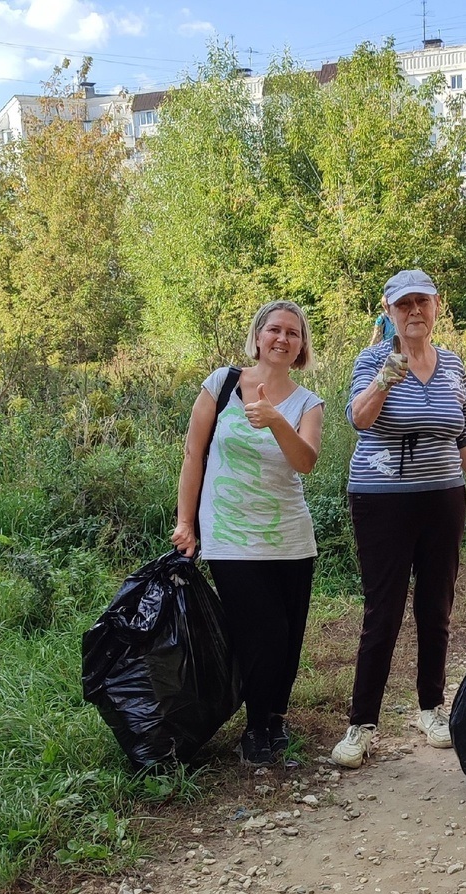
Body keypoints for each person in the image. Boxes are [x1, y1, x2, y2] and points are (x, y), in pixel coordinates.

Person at [332, 269, 466, 769]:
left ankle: (431, 708)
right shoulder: (372, 358)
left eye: (423, 302)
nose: (414, 310)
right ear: (389, 311)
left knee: (436, 607)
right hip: (381, 500)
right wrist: (382, 380)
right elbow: (358, 419)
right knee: (384, 610)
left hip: (443, 498)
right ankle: (361, 723)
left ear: (437, 307)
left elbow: (465, 437)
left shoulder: (454, 365)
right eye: (404, 303)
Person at [171, 300, 325, 768]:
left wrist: (277, 420)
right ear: (257, 337)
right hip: (230, 535)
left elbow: (306, 463)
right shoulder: (221, 384)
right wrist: (185, 521)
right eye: (274, 330)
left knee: (289, 633)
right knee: (262, 631)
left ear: (300, 348)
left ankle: (274, 718)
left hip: (290, 538)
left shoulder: (307, 403)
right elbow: (193, 455)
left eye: (292, 334)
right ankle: (254, 726)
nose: (282, 339)